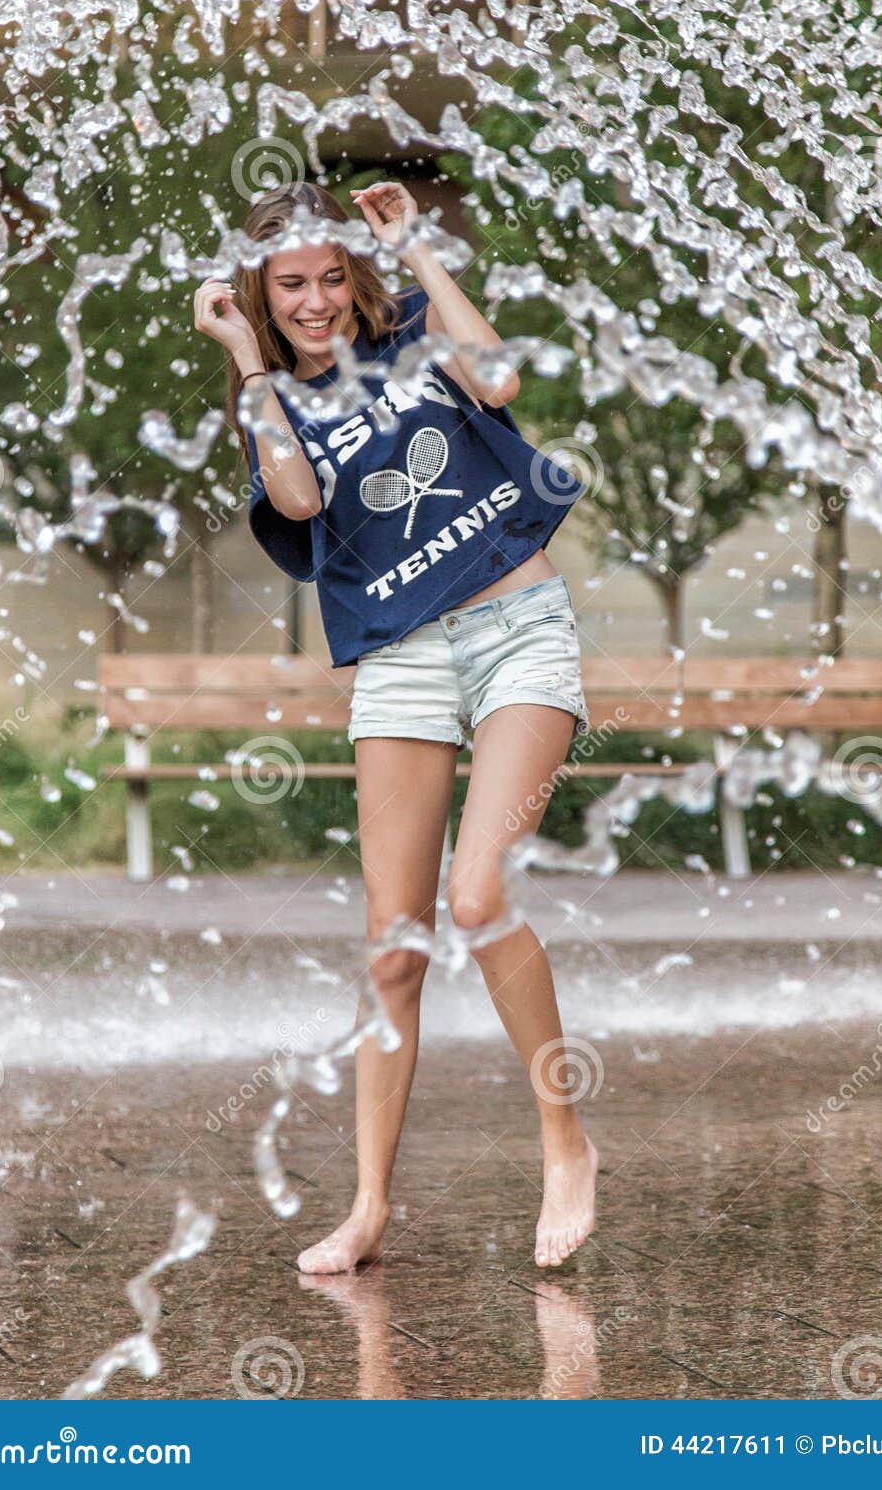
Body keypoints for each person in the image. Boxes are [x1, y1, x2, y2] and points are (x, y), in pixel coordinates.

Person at [194, 178, 598, 1271]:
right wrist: (243, 359)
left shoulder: (414, 329)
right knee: (393, 951)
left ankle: (564, 1136)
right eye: (291, 286)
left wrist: (416, 249)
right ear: (262, 294)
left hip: (516, 627)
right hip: (401, 661)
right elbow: (294, 501)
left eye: (331, 276)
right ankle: (369, 1206)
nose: (317, 301)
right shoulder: (269, 400)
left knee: (476, 896)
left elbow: (501, 375)